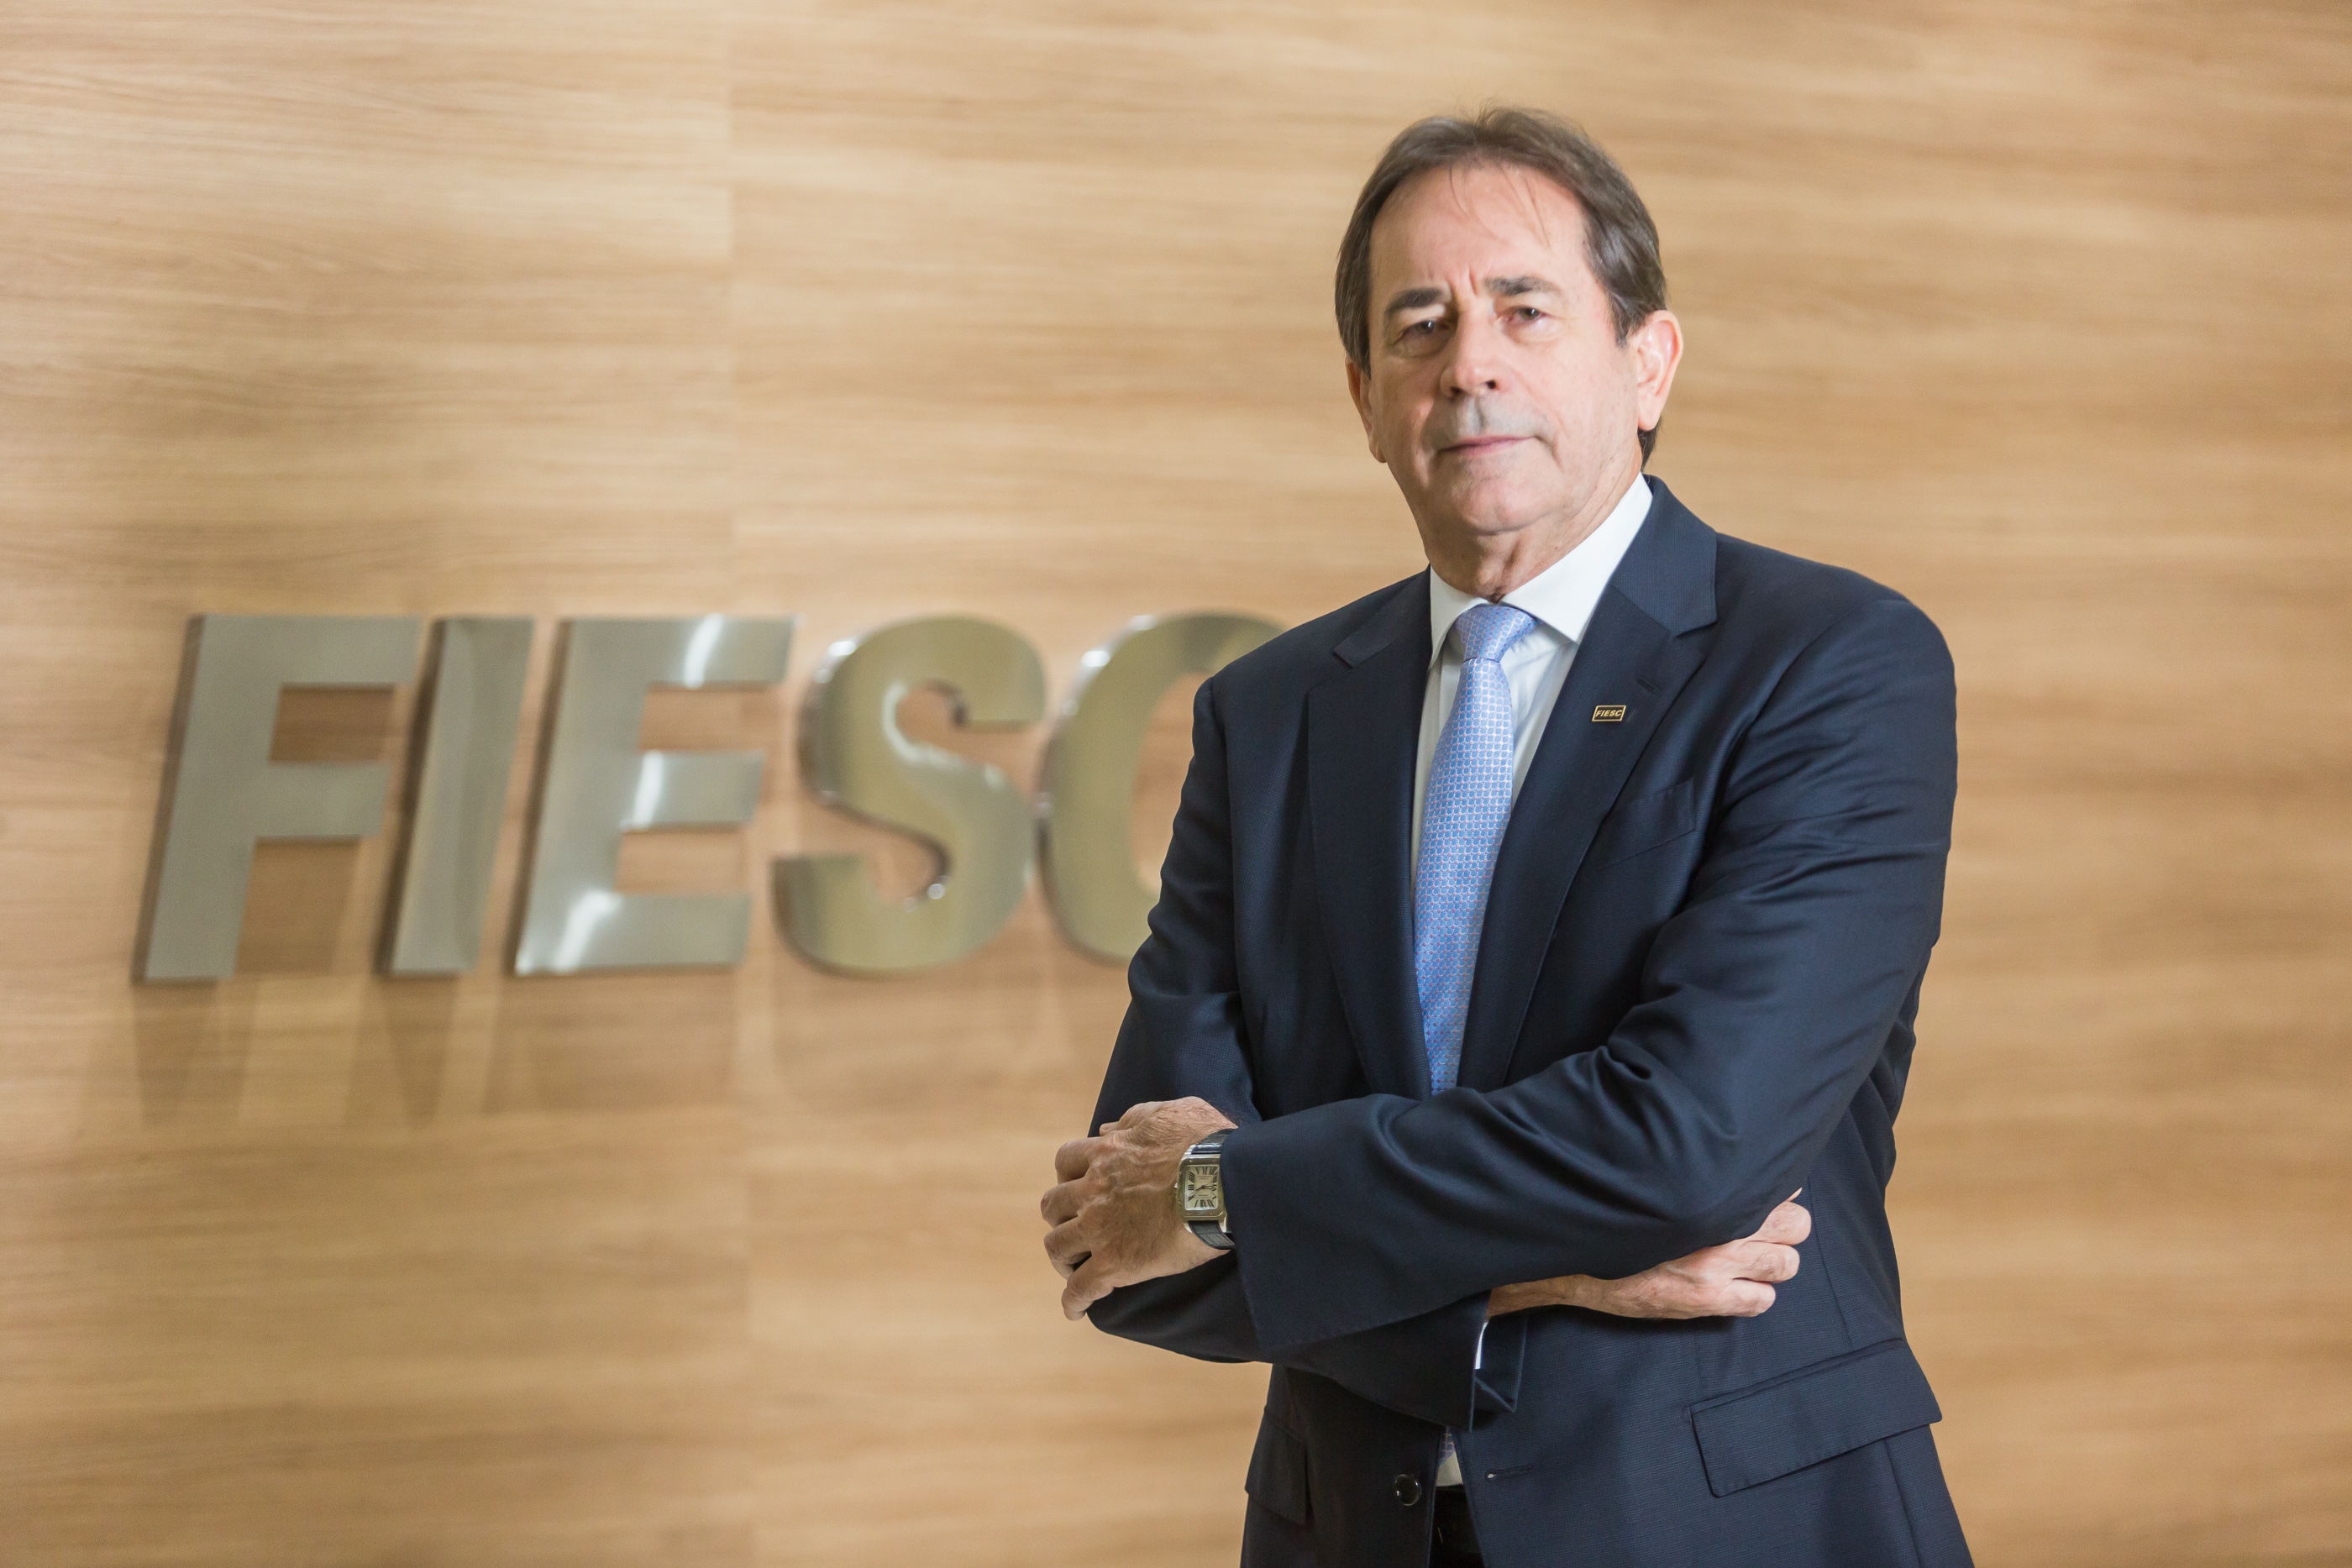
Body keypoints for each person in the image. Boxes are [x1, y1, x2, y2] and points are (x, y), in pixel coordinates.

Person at [1037, 107, 1971, 1568]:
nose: (1468, 364)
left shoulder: (1829, 663)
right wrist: (1548, 1282)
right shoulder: (1270, 715)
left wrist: (1236, 1194)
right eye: (1419, 324)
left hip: (1724, 1523)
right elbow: (1131, 1251)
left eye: (1525, 311)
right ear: (1366, 399)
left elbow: (1688, 1147)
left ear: (1648, 362)